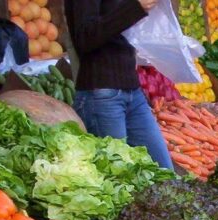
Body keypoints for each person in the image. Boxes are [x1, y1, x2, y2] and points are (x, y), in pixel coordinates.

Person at [64, 0, 174, 168]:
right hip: (101, 93)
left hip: (132, 90)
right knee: (117, 177)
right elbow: (85, 37)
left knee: (164, 171)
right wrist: (135, 7)